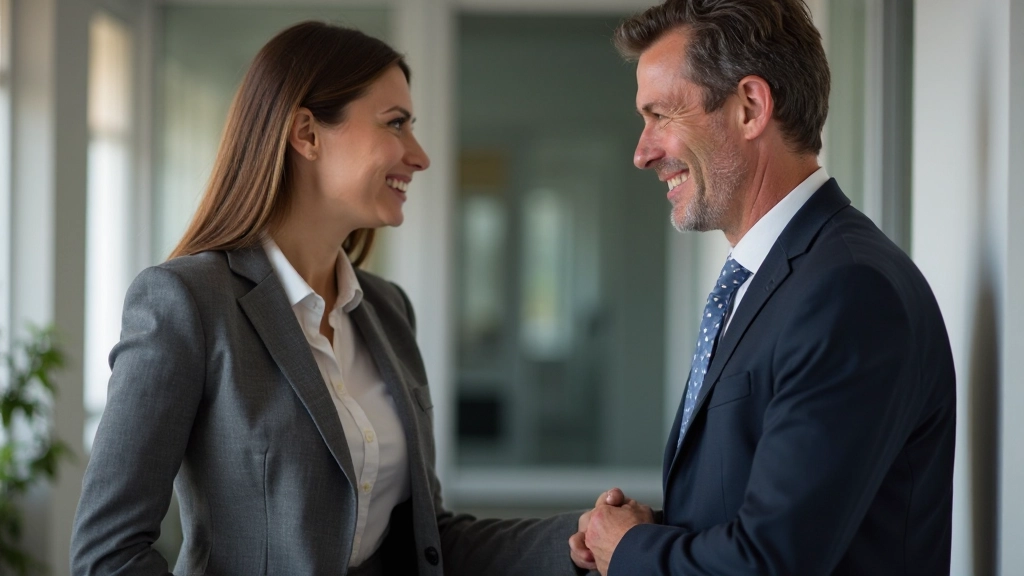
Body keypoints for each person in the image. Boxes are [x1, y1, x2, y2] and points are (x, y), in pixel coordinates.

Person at [71, 21, 581, 576]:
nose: (419, 156)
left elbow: (427, 542)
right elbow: (108, 555)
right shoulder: (187, 303)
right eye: (396, 124)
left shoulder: (388, 311)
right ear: (307, 133)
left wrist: (582, 540)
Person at [568, 1, 956, 574]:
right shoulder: (780, 279)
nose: (642, 152)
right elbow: (768, 515)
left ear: (750, 107)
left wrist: (630, 551)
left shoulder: (848, 291)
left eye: (661, 115)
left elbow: (773, 562)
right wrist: (650, 533)